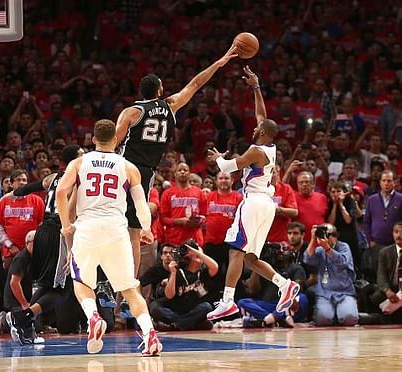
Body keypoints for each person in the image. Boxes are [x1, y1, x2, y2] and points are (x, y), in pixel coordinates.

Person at [115, 44, 239, 274]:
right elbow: (195, 83)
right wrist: (220, 62)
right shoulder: (170, 106)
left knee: (110, 221)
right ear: (160, 91)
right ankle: (127, 290)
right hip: (144, 175)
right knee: (133, 232)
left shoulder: (132, 112)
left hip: (123, 168)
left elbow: (111, 143)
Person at [54, 119, 161, 356]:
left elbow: (61, 192)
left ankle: (93, 316)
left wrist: (65, 226)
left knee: (82, 283)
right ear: (116, 139)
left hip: (88, 228)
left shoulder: (79, 162)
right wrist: (146, 229)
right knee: (130, 289)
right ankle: (149, 333)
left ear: (93, 139)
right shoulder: (128, 166)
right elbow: (141, 205)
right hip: (117, 230)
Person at [205, 66, 300, 321]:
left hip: (254, 203)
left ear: (264, 133)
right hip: (265, 204)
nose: (254, 129)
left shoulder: (257, 152)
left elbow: (228, 167)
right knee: (250, 258)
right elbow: (262, 114)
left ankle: (227, 302)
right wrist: (256, 86)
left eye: (258, 130)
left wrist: (218, 158)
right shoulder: (267, 144)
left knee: (235, 252)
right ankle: (285, 284)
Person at [3, 145, 87, 345]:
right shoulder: (78, 180)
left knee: (48, 285)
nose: (86, 159)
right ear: (74, 160)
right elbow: (71, 214)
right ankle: (22, 317)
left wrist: (9, 195)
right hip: (58, 233)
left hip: (42, 232)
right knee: (62, 289)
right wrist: (71, 249)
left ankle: (25, 325)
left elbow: (24, 189)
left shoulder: (53, 178)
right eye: (82, 156)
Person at [303, 224, 359, 326]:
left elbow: (342, 262)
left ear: (336, 236)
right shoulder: (320, 250)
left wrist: (327, 248)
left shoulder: (344, 247)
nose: (327, 238)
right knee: (322, 320)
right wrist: (313, 239)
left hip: (344, 292)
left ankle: (342, 314)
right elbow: (308, 259)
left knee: (349, 318)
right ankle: (334, 316)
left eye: (329, 235)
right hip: (325, 293)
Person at [0, 169, 44, 270]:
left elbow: (42, 226)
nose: (22, 182)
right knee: (10, 281)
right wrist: (10, 245)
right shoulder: (4, 201)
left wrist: (33, 245)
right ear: (11, 184)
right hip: (10, 251)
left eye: (24, 180)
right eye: (18, 180)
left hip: (33, 250)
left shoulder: (37, 201)